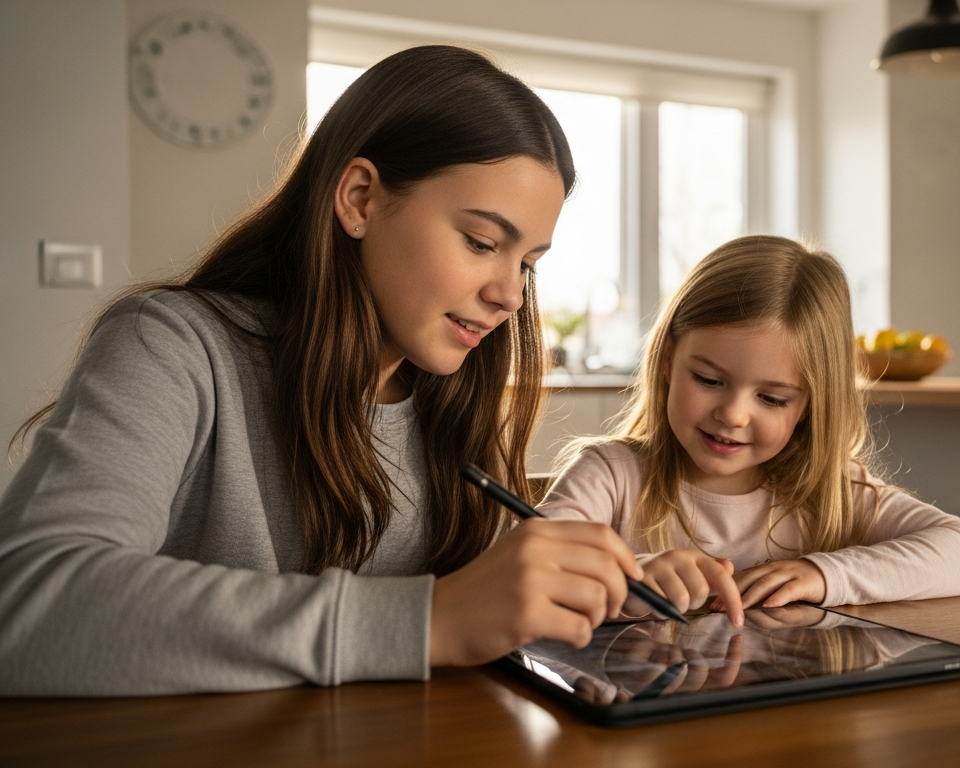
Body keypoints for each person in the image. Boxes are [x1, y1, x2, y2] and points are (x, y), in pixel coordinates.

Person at [0, 46, 647, 697]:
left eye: (528, 263)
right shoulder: (172, 347)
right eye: (482, 243)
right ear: (360, 198)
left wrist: (603, 588)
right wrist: (426, 621)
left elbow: (480, 603)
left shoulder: (451, 399)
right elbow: (29, 602)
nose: (510, 294)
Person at [537, 236, 960, 626]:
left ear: (809, 406)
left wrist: (823, 574)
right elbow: (532, 570)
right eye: (709, 381)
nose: (733, 415)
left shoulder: (827, 493)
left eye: (773, 399)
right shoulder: (612, 476)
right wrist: (633, 578)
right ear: (667, 360)